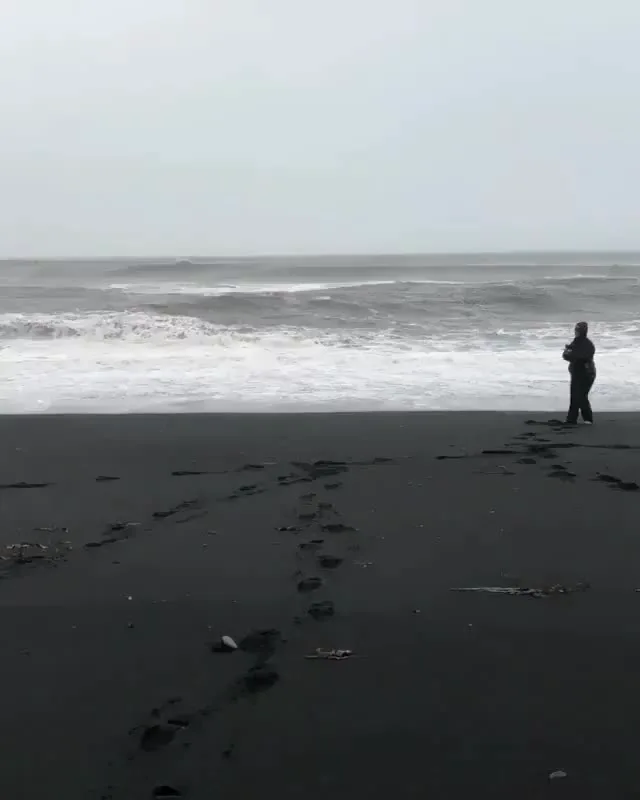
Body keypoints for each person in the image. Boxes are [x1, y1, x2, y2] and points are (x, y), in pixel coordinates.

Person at [562, 321, 596, 424]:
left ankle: (587, 419)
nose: (575, 332)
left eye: (577, 330)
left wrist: (571, 354)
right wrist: (569, 352)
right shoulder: (576, 342)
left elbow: (582, 357)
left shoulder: (587, 344)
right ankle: (572, 419)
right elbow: (566, 356)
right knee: (575, 395)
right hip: (577, 373)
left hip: (586, 373)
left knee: (580, 395)